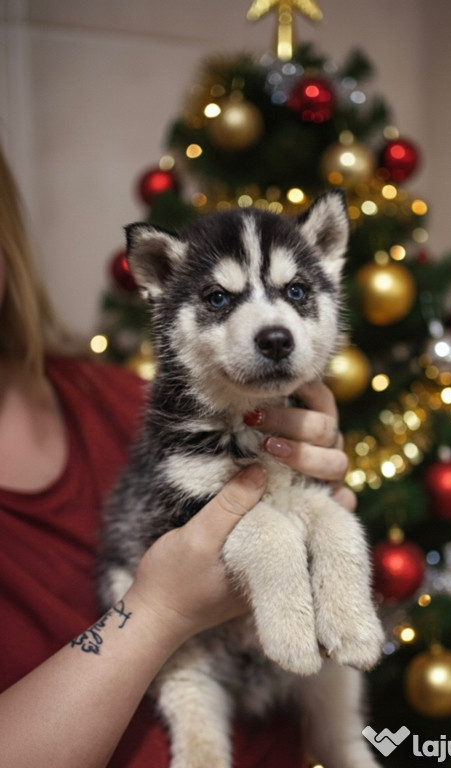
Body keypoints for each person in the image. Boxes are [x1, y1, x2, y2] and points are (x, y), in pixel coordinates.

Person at [0, 144, 356, 768]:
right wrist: (161, 610)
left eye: (293, 293)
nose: (269, 325)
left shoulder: (111, 398)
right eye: (220, 299)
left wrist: (316, 492)